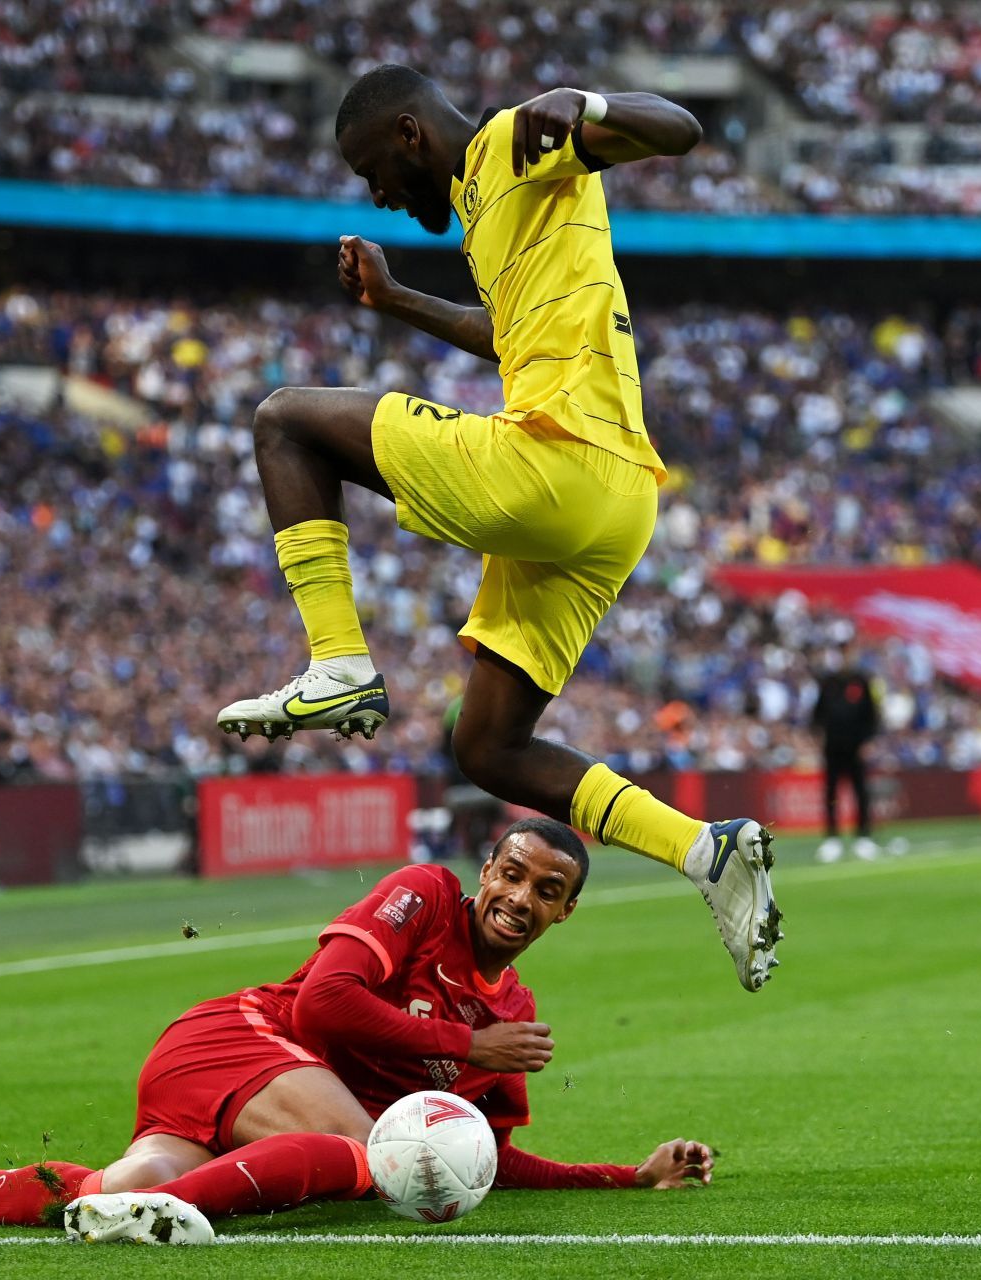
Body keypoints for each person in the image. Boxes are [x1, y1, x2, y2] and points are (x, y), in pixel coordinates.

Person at [211, 63, 780, 989]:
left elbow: (677, 128)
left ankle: (340, 665)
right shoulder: (490, 203)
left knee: (284, 419)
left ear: (407, 136)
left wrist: (588, 107)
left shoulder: (518, 139)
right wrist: (397, 302)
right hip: (616, 501)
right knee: (487, 749)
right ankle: (708, 854)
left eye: (372, 173)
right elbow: (509, 334)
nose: (379, 197)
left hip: (556, 464)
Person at [0, 819, 717, 1246]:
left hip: (260, 1104)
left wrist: (626, 1177)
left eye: (546, 891)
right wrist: (467, 1052)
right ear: (486, 869)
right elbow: (322, 1006)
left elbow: (476, 1157)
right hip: (234, 1037)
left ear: (567, 913)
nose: (520, 898)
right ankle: (187, 1215)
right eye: (512, 874)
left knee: (118, 1187)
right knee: (369, 1151)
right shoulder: (425, 895)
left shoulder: (508, 1017)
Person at [813, 645, 880, 862]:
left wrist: (869, 741)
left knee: (860, 792)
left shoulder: (862, 681)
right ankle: (832, 838)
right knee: (831, 793)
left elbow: (872, 715)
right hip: (833, 747)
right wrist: (817, 737)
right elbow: (817, 714)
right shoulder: (829, 682)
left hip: (856, 748)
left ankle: (863, 837)